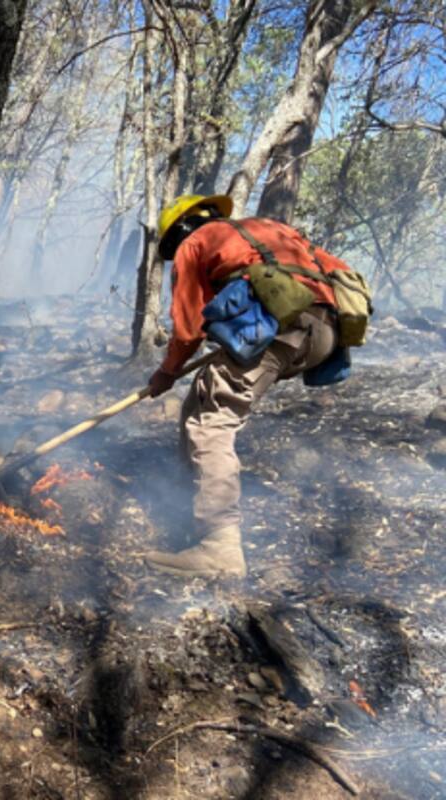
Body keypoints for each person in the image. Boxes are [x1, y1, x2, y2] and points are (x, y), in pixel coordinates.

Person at [142, 194, 350, 578]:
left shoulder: (195, 242)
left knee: (211, 423)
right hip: (326, 333)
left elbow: (187, 329)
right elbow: (334, 274)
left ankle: (218, 546)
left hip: (281, 328)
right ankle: (188, 508)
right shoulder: (269, 229)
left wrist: (167, 372)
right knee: (201, 399)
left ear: (180, 231)